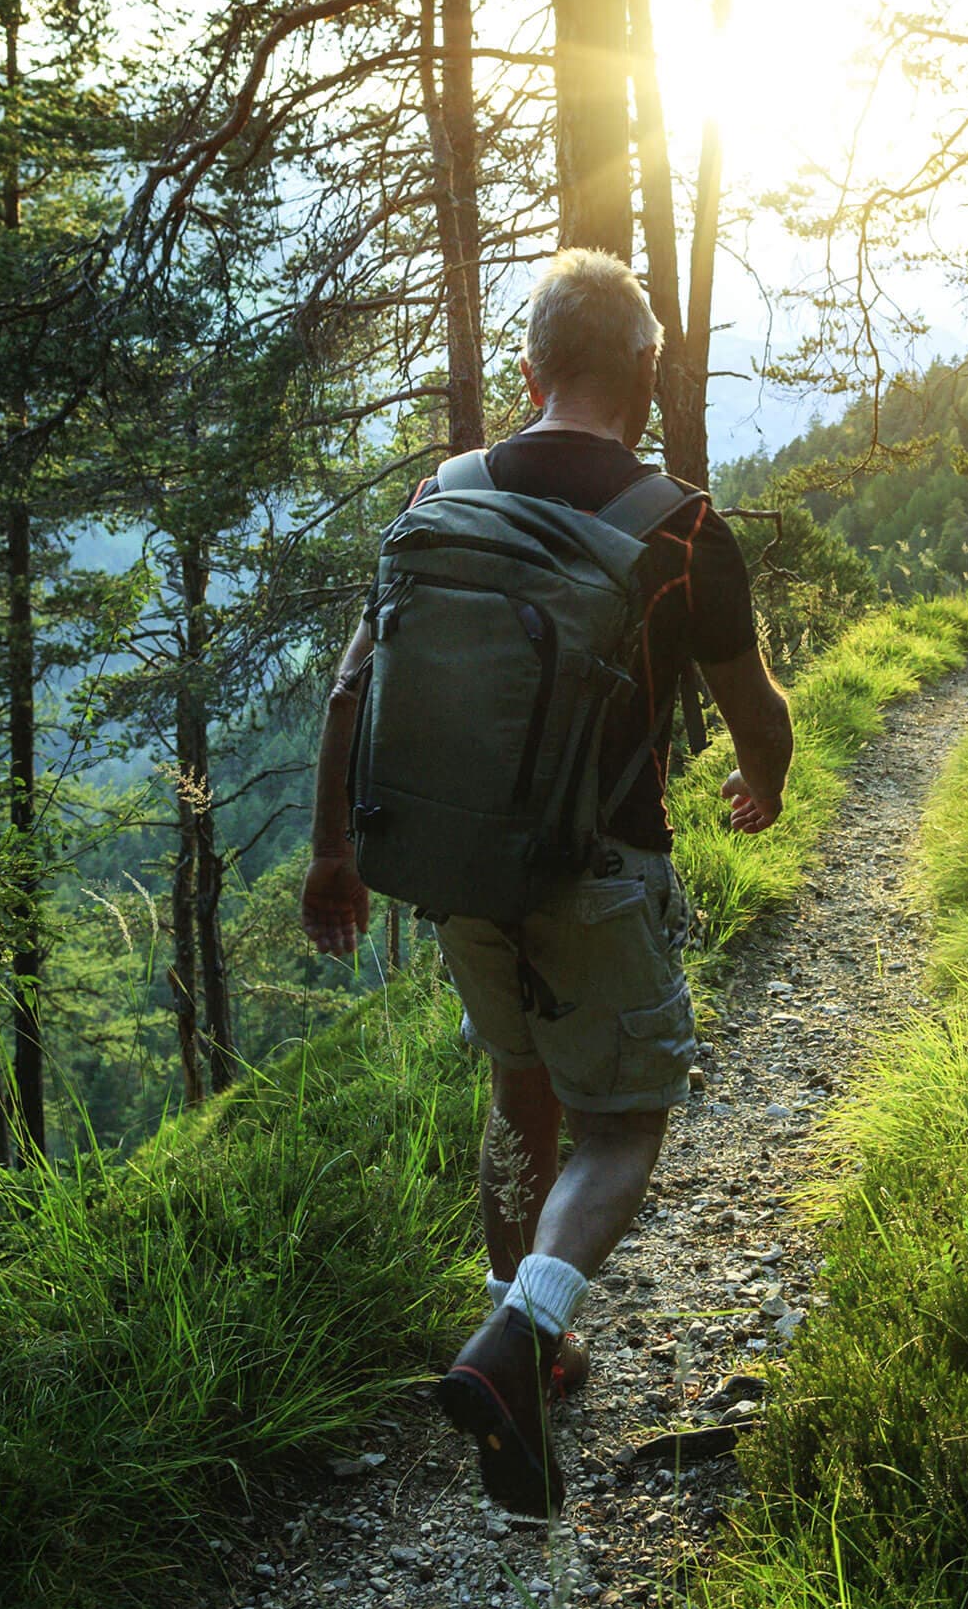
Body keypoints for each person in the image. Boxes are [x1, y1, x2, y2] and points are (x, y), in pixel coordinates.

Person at [300, 247, 794, 1517]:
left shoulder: (442, 495)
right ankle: (523, 1335)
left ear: (529, 371)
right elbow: (755, 712)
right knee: (622, 1124)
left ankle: (523, 1335)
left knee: (520, 1086)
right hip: (602, 875)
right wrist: (765, 782)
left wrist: (333, 855)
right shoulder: (679, 524)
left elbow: (354, 685)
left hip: (460, 871)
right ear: (645, 372)